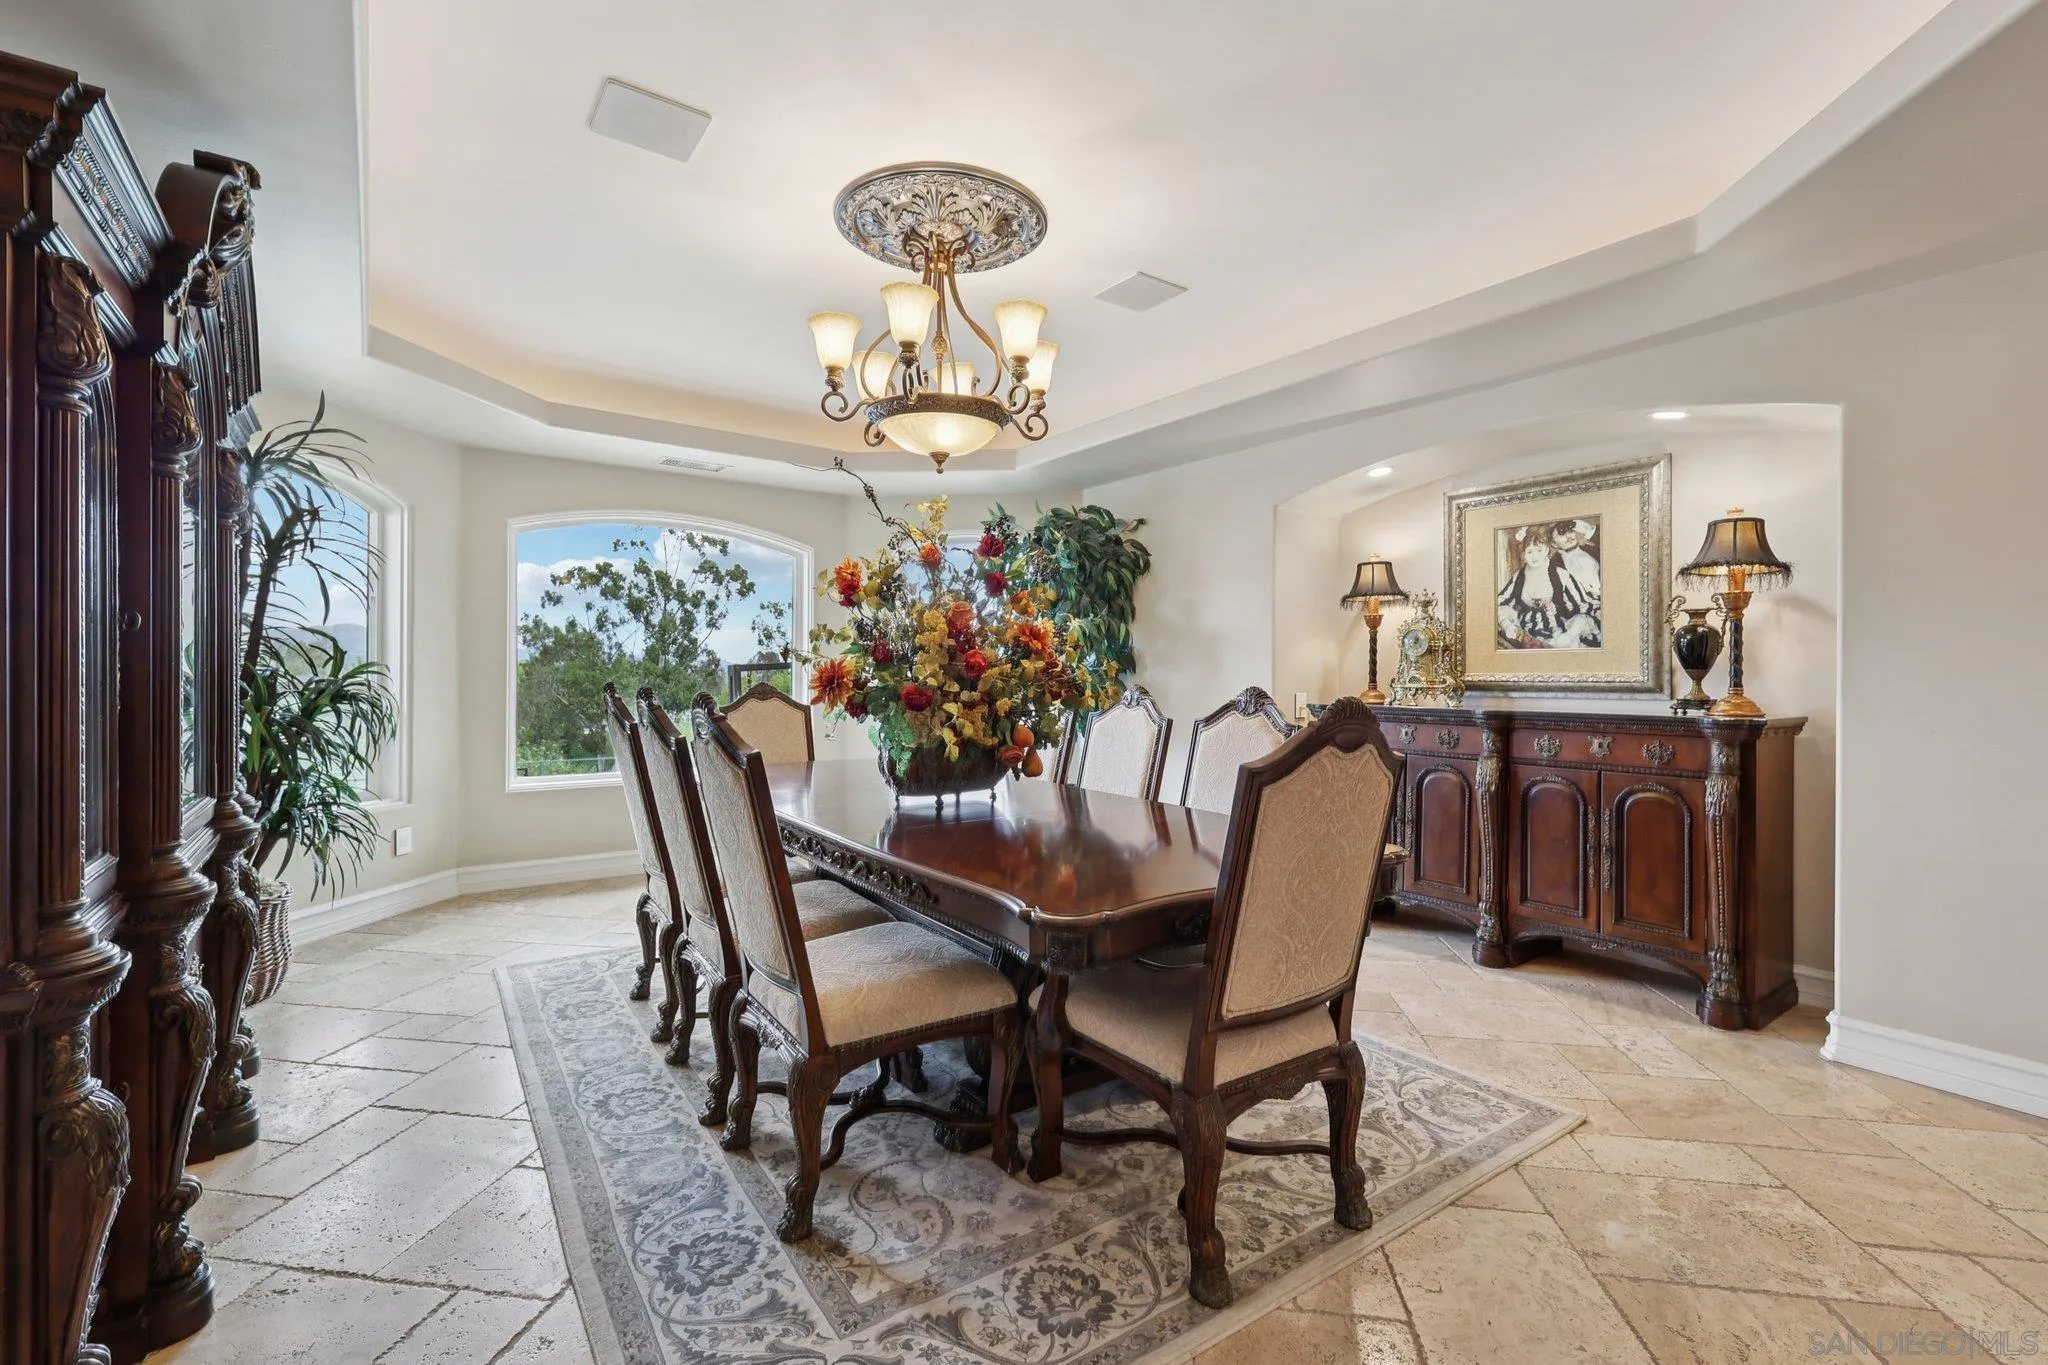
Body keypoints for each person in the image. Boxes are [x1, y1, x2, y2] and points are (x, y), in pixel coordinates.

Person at [1497, 528, 1599, 648]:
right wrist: (1506, 625)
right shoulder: (1519, 577)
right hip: (1528, 632)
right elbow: (1500, 601)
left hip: (1558, 632)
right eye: (1529, 552)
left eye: (1539, 550)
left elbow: (1581, 603)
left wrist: (1570, 633)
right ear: (1524, 555)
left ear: (1546, 550)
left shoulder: (1560, 574)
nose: (1534, 556)